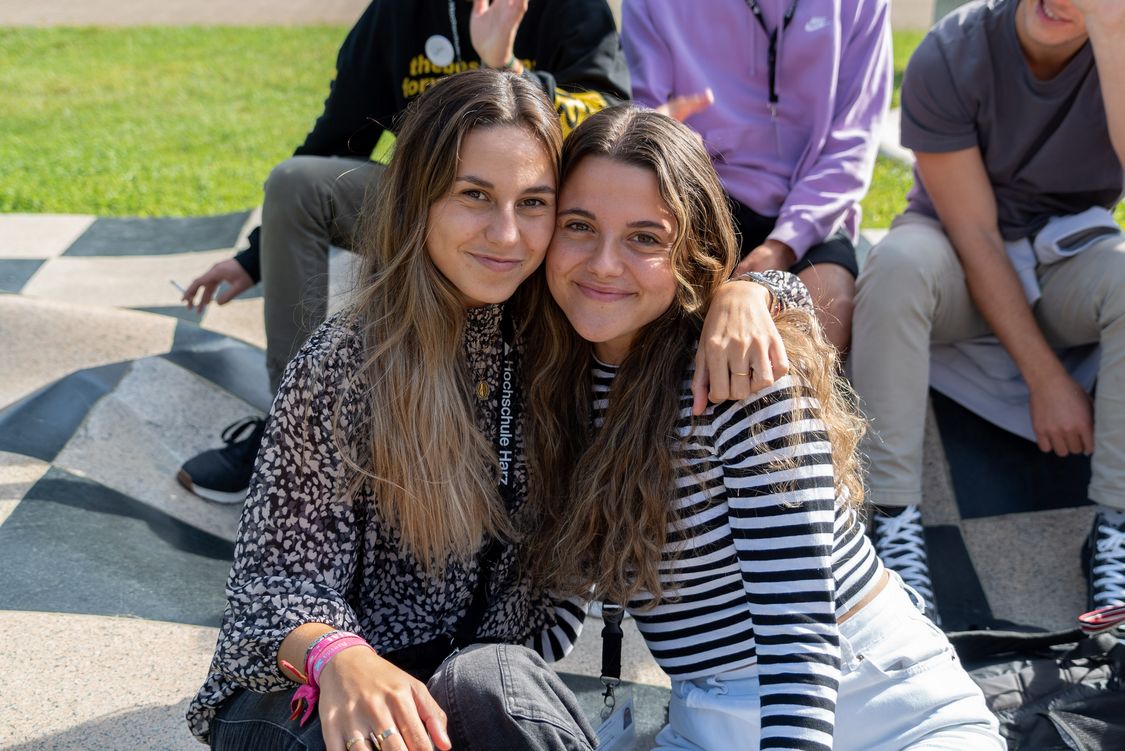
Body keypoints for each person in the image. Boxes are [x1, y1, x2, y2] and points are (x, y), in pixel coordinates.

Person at [187, 70, 788, 751]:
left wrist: (748, 292)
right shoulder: (344, 363)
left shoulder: (565, 331)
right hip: (315, 689)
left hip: (469, 684)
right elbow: (267, 592)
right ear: (419, 198)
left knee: (496, 678)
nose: (506, 234)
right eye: (474, 195)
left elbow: (692, 263)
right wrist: (340, 658)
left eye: (533, 203)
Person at [524, 106, 1004, 751]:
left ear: (691, 250)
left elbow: (796, 633)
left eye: (644, 238)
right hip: (707, 716)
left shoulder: (734, 372)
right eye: (579, 226)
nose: (604, 264)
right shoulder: (555, 384)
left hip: (875, 706)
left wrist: (756, 289)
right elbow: (552, 616)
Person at [176, 0, 630, 504]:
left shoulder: (570, 8)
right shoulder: (396, 12)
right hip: (432, 203)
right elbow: (340, 135)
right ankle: (298, 425)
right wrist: (254, 257)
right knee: (296, 183)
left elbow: (608, 126)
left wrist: (505, 66)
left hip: (541, 211)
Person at [849, 0, 1125, 615]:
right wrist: (1045, 378)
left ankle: (1117, 532)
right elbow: (974, 234)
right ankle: (890, 522)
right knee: (897, 264)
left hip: (1067, 258)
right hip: (955, 254)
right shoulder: (952, 52)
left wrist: (1111, 31)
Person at [620, 0, 892, 351]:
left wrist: (781, 247)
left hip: (813, 210)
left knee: (827, 313)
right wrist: (664, 135)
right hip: (696, 196)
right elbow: (645, 122)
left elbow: (851, 144)